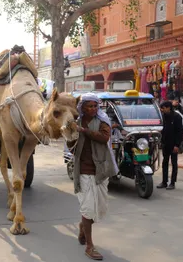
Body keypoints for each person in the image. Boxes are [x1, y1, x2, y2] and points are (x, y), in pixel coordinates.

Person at [67, 93, 118, 260]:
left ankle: (83, 226)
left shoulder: (103, 122)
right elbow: (71, 145)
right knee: (88, 208)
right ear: (83, 108)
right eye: (90, 106)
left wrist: (84, 131)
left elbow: (104, 138)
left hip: (100, 170)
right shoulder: (77, 122)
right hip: (83, 170)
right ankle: (89, 245)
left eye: (95, 106)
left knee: (99, 209)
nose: (93, 109)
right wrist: (69, 135)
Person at [157, 101, 183, 190]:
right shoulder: (163, 116)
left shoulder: (177, 117)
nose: (162, 110)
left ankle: (172, 182)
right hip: (165, 143)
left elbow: (180, 132)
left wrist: (177, 145)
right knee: (165, 162)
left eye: (163, 108)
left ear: (168, 107)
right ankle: (164, 181)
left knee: (174, 163)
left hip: (174, 144)